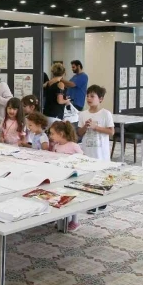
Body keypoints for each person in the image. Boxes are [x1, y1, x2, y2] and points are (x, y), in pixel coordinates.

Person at [77, 84, 115, 214]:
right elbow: (79, 133)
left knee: (102, 176)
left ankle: (102, 200)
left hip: (101, 152)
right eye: (87, 96)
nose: (89, 98)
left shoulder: (105, 114)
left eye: (92, 96)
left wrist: (95, 127)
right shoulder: (83, 114)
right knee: (89, 176)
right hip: (87, 151)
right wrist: (85, 127)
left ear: (101, 99)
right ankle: (92, 203)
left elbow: (111, 132)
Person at [48, 121, 83, 231]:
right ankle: (62, 220)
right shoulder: (56, 146)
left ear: (61, 134)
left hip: (72, 177)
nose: (50, 136)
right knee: (61, 197)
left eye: (52, 133)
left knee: (72, 198)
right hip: (60, 176)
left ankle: (75, 221)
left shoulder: (73, 146)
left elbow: (82, 158)